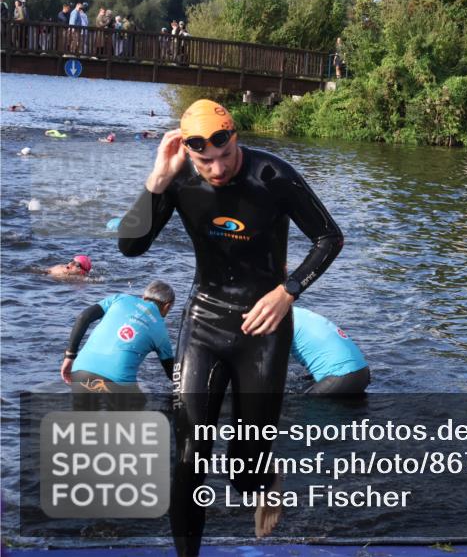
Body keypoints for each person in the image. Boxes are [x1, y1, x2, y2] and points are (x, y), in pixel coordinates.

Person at [117, 99, 344, 553]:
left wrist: (289, 291)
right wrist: (156, 182)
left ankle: (262, 476)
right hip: (203, 321)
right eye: (206, 161)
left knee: (243, 469)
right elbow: (130, 246)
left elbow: (329, 237)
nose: (217, 169)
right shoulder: (178, 179)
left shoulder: (271, 176)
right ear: (189, 152)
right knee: (189, 457)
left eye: (225, 155)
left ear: (236, 138)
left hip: (263, 325)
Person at [60, 281, 175, 409]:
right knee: (139, 407)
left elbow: (83, 317)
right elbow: (172, 373)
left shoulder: (120, 298)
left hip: (80, 371)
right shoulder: (161, 331)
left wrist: (69, 356)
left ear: (144, 297)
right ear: (167, 306)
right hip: (118, 382)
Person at [291, 307, 370, 394]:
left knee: (294, 402)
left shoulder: (278, 319)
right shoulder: (297, 312)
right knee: (299, 383)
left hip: (341, 377)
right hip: (362, 372)